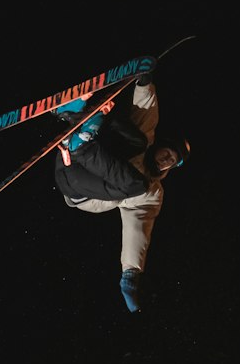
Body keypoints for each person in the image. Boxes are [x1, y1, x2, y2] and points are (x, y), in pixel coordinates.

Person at [53, 74, 187, 312]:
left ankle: (82, 141)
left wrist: (131, 273)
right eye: (168, 152)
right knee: (137, 138)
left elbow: (138, 227)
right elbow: (146, 110)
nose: (166, 159)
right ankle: (76, 112)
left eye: (171, 161)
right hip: (72, 156)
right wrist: (145, 83)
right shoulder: (147, 143)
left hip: (78, 187)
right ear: (162, 146)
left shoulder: (151, 193)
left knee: (137, 186)